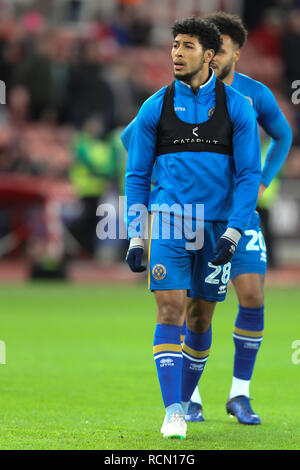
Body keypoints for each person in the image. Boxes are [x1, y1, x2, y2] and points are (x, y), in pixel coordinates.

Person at [124, 17, 261, 439]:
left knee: (201, 320)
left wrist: (234, 232)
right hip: (169, 224)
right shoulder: (155, 106)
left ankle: (185, 400)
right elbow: (136, 174)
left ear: (210, 55)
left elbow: (249, 175)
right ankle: (173, 412)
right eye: (174, 45)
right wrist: (134, 233)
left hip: (219, 228)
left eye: (187, 46)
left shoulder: (238, 106)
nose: (176, 54)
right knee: (170, 309)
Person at [183, 11, 292, 425]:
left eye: (220, 51)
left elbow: (284, 134)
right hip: (199, 216)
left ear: (236, 53)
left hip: (241, 213)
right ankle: (191, 396)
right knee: (198, 311)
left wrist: (265, 177)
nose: (211, 59)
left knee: (253, 295)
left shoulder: (254, 95)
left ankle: (239, 395)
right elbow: (138, 135)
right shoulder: (182, 93)